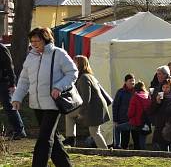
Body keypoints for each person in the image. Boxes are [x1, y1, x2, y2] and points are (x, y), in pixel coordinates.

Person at [11, 27, 77, 167]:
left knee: (44, 139)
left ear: (46, 39)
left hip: (53, 104)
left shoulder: (59, 54)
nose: (34, 44)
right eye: (32, 41)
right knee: (54, 141)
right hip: (37, 104)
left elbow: (72, 73)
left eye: (37, 41)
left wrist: (59, 87)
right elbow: (24, 80)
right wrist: (17, 98)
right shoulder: (31, 56)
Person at [64, 55, 110, 149]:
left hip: (94, 108)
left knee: (95, 132)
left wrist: (81, 113)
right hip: (97, 107)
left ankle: (105, 151)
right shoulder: (90, 76)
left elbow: (86, 98)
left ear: (79, 64)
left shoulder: (84, 78)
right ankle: (71, 139)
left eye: (75, 63)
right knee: (95, 132)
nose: (73, 64)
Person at [0, 42, 26, 140]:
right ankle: (17, 129)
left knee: (9, 106)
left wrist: (12, 83)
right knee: (9, 107)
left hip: (3, 82)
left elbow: (9, 66)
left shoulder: (1, 48)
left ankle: (19, 130)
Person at [149, 78, 171, 151]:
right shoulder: (159, 96)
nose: (165, 89)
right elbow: (151, 111)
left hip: (170, 126)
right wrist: (157, 103)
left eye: (167, 87)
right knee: (161, 146)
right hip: (160, 125)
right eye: (163, 87)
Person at [112, 74, 135, 149]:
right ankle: (124, 155)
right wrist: (115, 120)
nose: (132, 82)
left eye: (133, 80)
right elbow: (115, 106)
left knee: (136, 138)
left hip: (134, 119)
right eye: (130, 80)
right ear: (125, 82)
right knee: (125, 140)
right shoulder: (120, 92)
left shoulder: (136, 92)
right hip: (123, 119)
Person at [127, 81, 151, 150]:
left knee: (118, 128)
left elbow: (131, 112)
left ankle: (119, 145)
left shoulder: (135, 97)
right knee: (142, 139)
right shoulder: (148, 96)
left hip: (136, 122)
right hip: (146, 122)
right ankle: (144, 153)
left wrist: (128, 116)